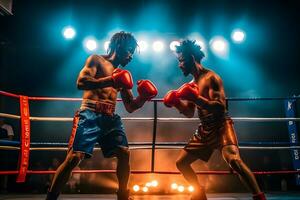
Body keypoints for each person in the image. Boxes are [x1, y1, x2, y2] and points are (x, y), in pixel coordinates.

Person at [46, 31, 158, 200]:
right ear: (119, 47)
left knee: (124, 153)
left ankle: (123, 196)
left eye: (133, 53)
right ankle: (51, 197)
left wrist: (143, 97)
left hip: (110, 118)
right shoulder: (96, 60)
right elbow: (81, 82)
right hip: (89, 114)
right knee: (74, 158)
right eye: (129, 51)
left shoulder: (123, 76)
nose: (131, 56)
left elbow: (130, 106)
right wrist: (111, 81)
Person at [163, 39, 266, 200]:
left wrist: (196, 98)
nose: (179, 65)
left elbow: (220, 107)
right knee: (181, 163)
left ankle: (259, 197)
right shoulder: (190, 84)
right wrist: (176, 103)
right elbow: (190, 112)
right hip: (204, 129)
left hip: (221, 126)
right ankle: (198, 192)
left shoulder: (211, 78)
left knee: (234, 160)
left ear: (191, 58)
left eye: (181, 60)